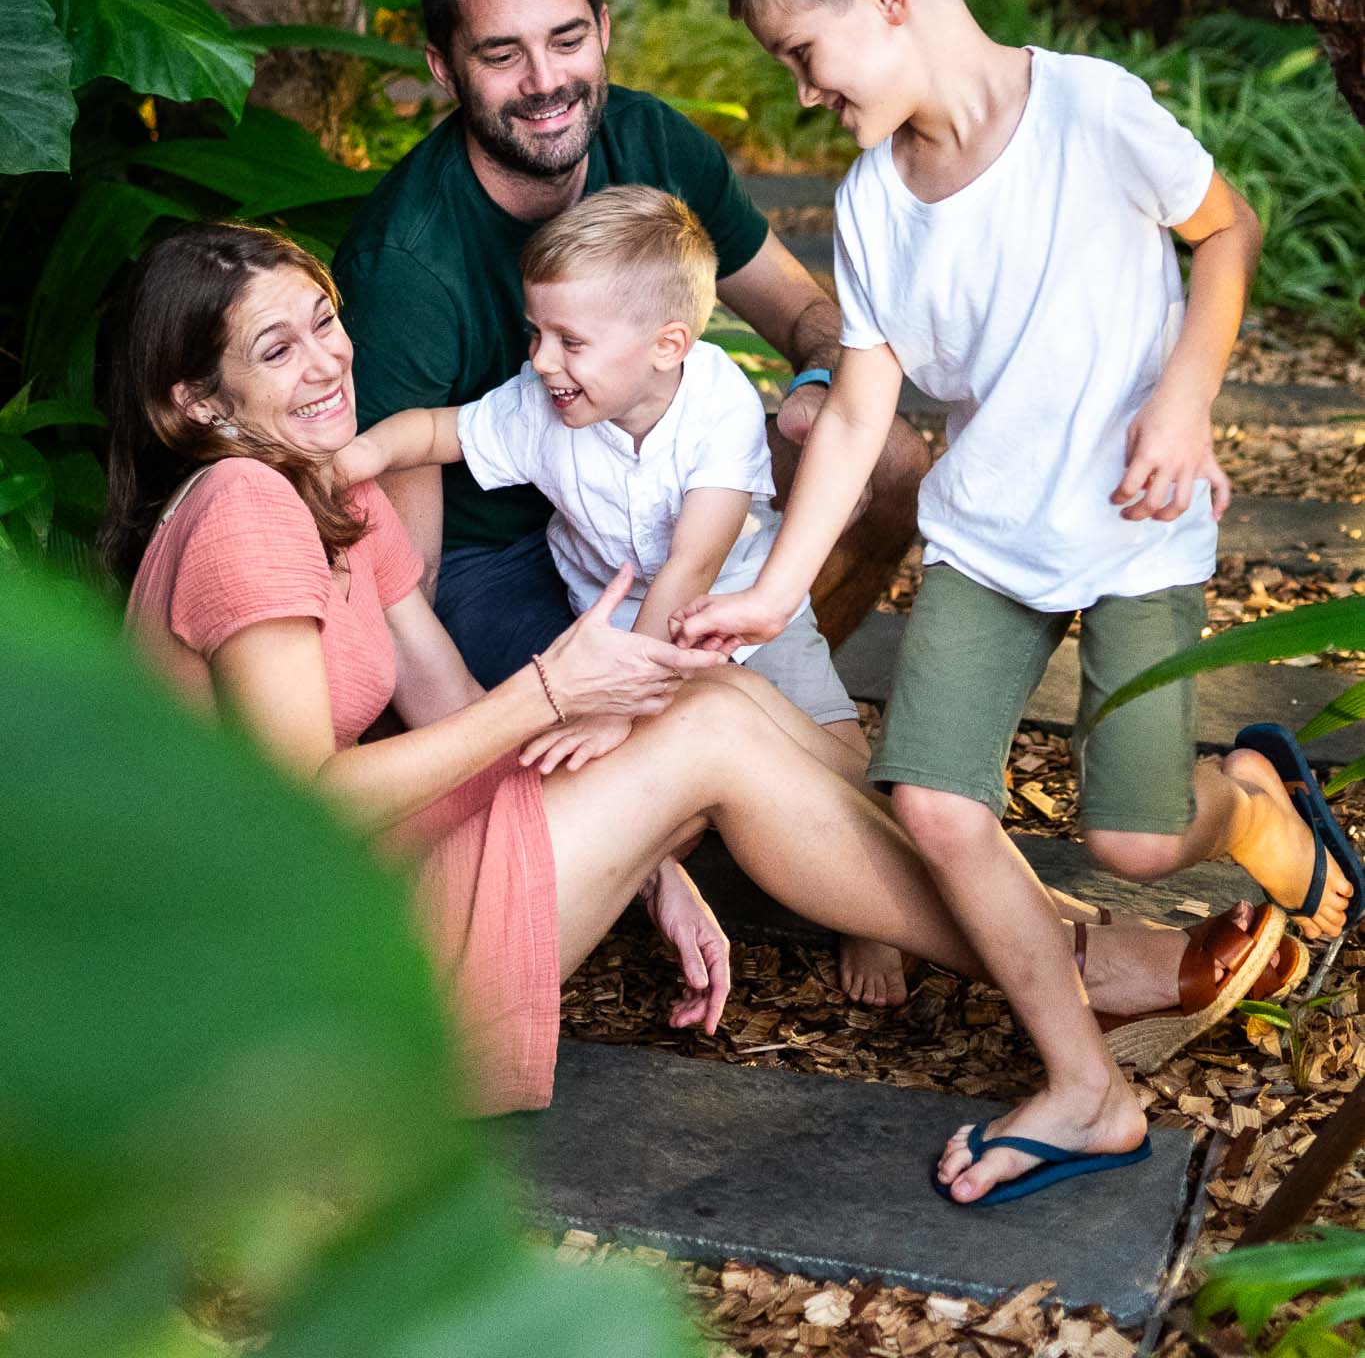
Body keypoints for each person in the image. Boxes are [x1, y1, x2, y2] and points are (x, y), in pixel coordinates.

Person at [102, 221, 1296, 1136]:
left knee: (717, 705)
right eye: (276, 347)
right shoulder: (245, 506)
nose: (326, 362)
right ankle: (1081, 961)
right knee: (708, 730)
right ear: (193, 403)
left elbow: (447, 711)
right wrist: (555, 694)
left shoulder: (330, 485)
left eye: (323, 320)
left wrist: (648, 860)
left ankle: (1070, 947)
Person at [675, 0, 1350, 1206]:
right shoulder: (872, 208)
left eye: (807, 56)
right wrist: (773, 592)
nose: (804, 94)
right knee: (930, 799)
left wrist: (1184, 397)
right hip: (988, 535)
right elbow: (862, 415)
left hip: (1135, 520)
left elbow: (1226, 232)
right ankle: (1085, 1089)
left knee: (1137, 847)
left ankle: (1257, 804)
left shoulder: (1093, 112)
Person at [334, 0, 929, 1006]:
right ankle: (681, 792)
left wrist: (810, 389)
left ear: (603, 27)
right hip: (500, 557)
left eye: (566, 38)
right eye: (501, 53)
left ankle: (733, 746)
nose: (546, 79)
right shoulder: (406, 266)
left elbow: (812, 321)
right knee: (662, 713)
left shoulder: (649, 142)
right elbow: (400, 580)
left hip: (660, 504)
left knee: (884, 456)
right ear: (443, 63)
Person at [336, 185, 862, 771]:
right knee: (637, 769)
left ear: (667, 346)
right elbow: (439, 432)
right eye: (536, 332)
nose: (540, 359)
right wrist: (364, 455)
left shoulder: (720, 405)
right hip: (608, 624)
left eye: (571, 342)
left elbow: (694, 563)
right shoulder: (542, 406)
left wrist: (622, 704)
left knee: (835, 755)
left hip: (739, 611)